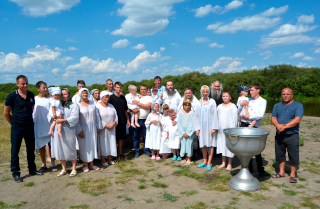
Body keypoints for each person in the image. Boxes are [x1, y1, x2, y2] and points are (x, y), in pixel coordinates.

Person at [4, 75, 43, 183]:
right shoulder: (12, 96)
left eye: (27, 83)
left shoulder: (30, 95)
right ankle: (16, 173)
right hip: (17, 127)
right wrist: (13, 123)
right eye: (23, 84)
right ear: (17, 84)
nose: (25, 85)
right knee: (15, 151)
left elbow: (31, 109)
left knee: (30, 149)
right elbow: (6, 112)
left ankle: (32, 169)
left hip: (29, 125)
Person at [271, 88, 304, 183]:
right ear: (281, 95)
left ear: (292, 95)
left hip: (292, 135)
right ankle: (281, 172)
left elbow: (297, 119)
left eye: (288, 94)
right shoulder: (277, 105)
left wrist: (284, 127)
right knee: (280, 154)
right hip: (279, 135)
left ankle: (293, 174)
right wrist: (277, 125)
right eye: (283, 94)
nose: (285, 96)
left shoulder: (298, 105)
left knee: (293, 154)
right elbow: (273, 118)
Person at [239, 84, 267, 180]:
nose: (250, 92)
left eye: (251, 90)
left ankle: (261, 171)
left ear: (258, 90)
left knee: (256, 150)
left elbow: (260, 114)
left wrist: (249, 117)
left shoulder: (262, 101)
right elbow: (241, 111)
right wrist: (243, 113)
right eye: (250, 90)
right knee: (245, 149)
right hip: (244, 124)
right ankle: (249, 170)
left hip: (254, 126)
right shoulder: (248, 100)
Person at [51, 88, 80, 176]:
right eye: (62, 94)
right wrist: (54, 117)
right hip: (58, 130)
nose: (63, 96)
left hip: (69, 129)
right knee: (60, 148)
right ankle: (64, 169)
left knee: (70, 148)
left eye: (65, 94)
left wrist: (62, 120)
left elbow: (75, 118)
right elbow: (50, 115)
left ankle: (74, 168)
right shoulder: (57, 105)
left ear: (69, 95)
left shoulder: (74, 105)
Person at [33, 81, 56, 173]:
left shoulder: (51, 99)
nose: (46, 89)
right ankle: (43, 164)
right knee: (40, 145)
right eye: (44, 88)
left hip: (49, 125)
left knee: (51, 145)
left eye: (46, 87)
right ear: (38, 89)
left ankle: (53, 163)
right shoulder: (34, 99)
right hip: (38, 125)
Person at [77, 88, 102, 172]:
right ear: (80, 94)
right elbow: (76, 120)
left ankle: (91, 164)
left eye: (86, 93)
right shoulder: (77, 105)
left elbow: (97, 116)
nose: (85, 94)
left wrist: (99, 126)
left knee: (92, 145)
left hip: (92, 128)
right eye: (83, 93)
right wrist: (79, 130)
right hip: (83, 128)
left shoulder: (92, 103)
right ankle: (85, 164)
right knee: (84, 146)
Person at [196, 85, 219, 171]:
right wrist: (197, 129)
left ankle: (209, 161)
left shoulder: (212, 101)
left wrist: (214, 127)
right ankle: (204, 160)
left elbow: (214, 115)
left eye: (206, 92)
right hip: (202, 127)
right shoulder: (198, 102)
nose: (205, 93)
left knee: (211, 144)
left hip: (210, 127)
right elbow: (196, 116)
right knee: (203, 144)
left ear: (208, 92)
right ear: (201, 92)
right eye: (203, 92)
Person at [216, 90, 238, 171]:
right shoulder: (219, 106)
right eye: (223, 96)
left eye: (226, 96)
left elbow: (234, 119)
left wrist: (232, 130)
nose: (225, 97)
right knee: (222, 146)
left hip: (229, 131)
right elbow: (217, 118)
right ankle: (223, 163)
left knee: (229, 147)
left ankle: (229, 164)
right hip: (221, 131)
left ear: (230, 97)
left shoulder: (233, 106)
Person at [109, 82, 130, 159]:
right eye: (117, 87)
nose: (119, 89)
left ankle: (120, 152)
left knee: (121, 137)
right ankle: (114, 154)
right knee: (115, 138)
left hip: (122, 120)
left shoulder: (123, 98)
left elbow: (125, 110)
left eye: (120, 87)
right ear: (114, 87)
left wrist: (128, 120)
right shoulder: (111, 98)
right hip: (114, 121)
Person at [97, 91, 118, 167]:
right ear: (101, 97)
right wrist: (105, 125)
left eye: (108, 97)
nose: (107, 98)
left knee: (111, 143)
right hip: (103, 129)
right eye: (105, 97)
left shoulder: (111, 106)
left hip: (112, 128)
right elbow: (97, 118)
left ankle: (109, 158)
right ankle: (103, 159)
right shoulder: (98, 106)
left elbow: (116, 116)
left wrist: (113, 123)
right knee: (103, 143)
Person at [132, 85, 153, 158]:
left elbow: (148, 107)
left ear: (147, 90)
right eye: (141, 89)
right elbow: (130, 105)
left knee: (146, 136)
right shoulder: (136, 97)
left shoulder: (149, 97)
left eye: (144, 89)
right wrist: (132, 110)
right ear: (139, 90)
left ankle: (146, 150)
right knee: (136, 136)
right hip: (136, 119)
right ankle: (137, 151)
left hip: (146, 119)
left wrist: (139, 103)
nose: (143, 90)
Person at [177, 88, 201, 154]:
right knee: (184, 141)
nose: (188, 94)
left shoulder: (196, 101)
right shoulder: (182, 100)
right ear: (184, 94)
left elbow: (198, 112)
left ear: (191, 93)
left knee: (193, 140)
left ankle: (193, 153)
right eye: (186, 93)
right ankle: (185, 155)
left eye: (189, 93)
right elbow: (179, 112)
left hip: (193, 123)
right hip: (183, 125)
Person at [177, 99, 195, 165]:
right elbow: (178, 122)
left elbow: (192, 123)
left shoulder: (192, 112)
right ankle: (186, 158)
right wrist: (182, 132)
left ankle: (189, 159)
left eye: (188, 105)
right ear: (183, 105)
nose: (187, 107)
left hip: (189, 133)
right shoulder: (181, 113)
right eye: (185, 105)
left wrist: (188, 132)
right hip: (183, 133)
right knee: (184, 145)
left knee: (189, 145)